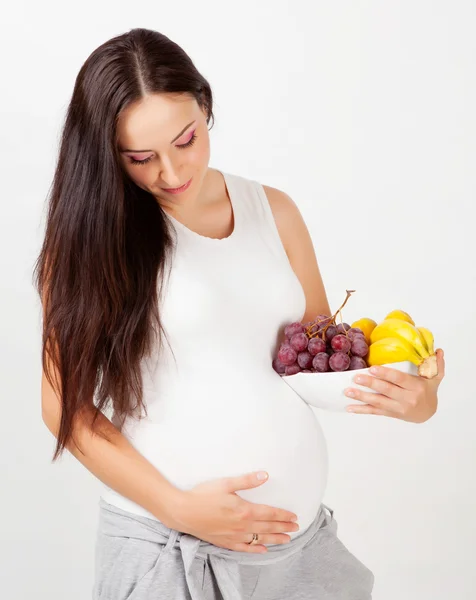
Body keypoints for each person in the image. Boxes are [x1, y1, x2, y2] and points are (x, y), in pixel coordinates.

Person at [36, 27, 445, 600]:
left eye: (187, 140)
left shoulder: (272, 209)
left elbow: (316, 362)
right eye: (141, 158)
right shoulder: (92, 241)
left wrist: (410, 396)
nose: (173, 173)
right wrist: (179, 508)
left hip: (301, 557)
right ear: (107, 153)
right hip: (169, 549)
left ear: (205, 107)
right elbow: (64, 407)